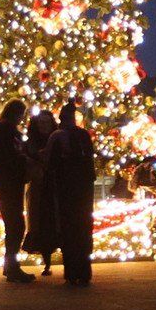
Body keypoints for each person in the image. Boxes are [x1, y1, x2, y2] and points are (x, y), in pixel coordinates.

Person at [0, 100, 33, 282]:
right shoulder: (7, 130)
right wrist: (22, 162)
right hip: (8, 181)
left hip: (5, 180)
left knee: (13, 224)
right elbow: (10, 154)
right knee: (16, 224)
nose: (22, 118)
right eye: (21, 114)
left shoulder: (1, 128)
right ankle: (12, 266)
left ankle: (10, 265)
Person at [47, 102, 96, 285]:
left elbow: (50, 163)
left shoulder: (58, 136)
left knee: (68, 229)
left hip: (65, 188)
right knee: (83, 228)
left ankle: (71, 272)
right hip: (83, 188)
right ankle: (84, 271)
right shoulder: (83, 135)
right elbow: (89, 161)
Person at [22, 109, 60, 277]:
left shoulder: (57, 139)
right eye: (41, 123)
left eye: (47, 123)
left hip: (55, 186)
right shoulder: (31, 142)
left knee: (56, 220)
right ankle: (47, 262)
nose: (44, 126)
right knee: (40, 221)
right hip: (39, 187)